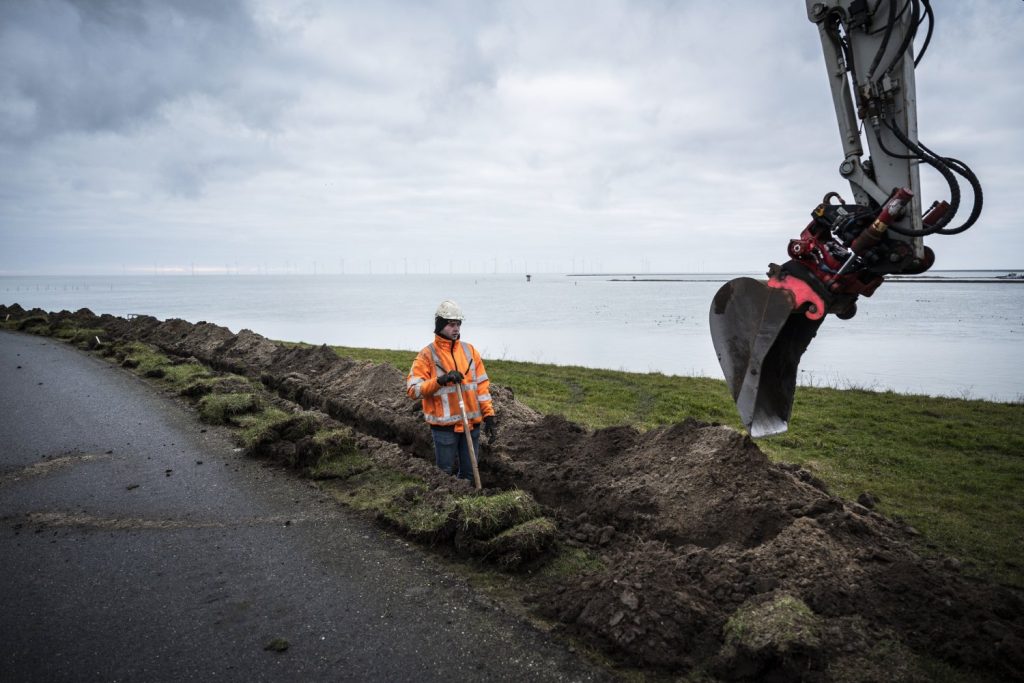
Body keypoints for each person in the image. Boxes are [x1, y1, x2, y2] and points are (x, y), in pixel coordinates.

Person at [406, 300, 497, 480]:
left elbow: (482, 386)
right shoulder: (427, 355)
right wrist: (440, 380)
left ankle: (468, 505)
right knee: (444, 474)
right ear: (440, 325)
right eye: (451, 324)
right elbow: (413, 390)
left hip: (471, 426)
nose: (456, 329)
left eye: (458, 324)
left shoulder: (469, 351)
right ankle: (446, 504)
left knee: (470, 474)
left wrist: (489, 415)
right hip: (444, 429)